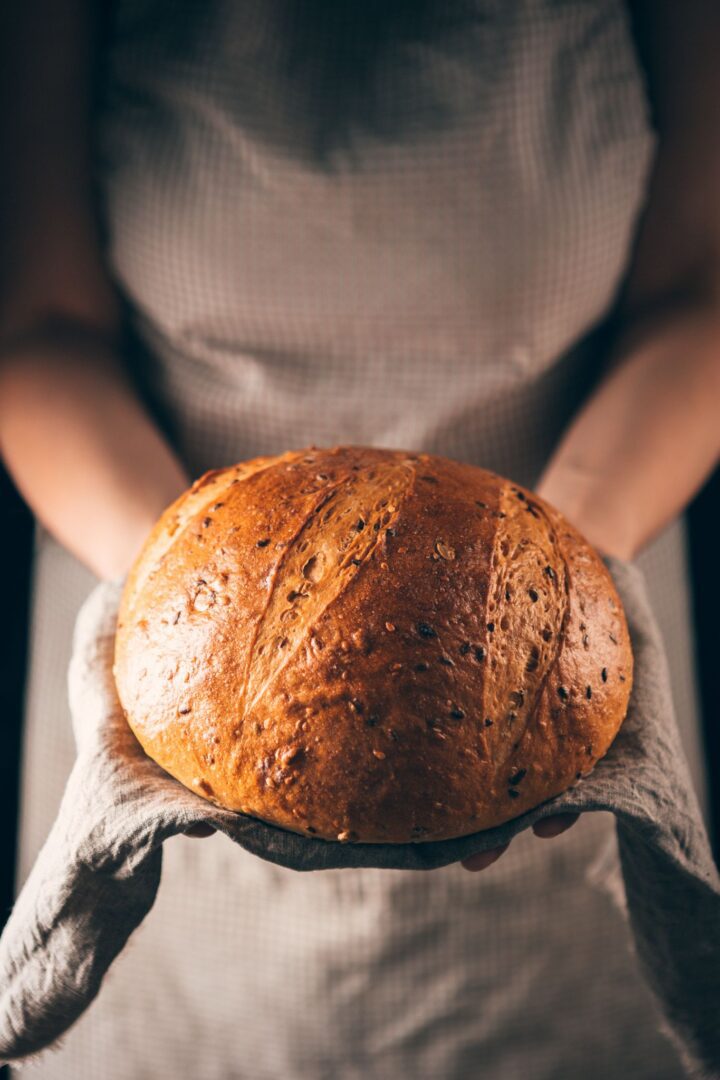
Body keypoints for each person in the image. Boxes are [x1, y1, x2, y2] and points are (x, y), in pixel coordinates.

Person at [1, 1, 718, 1076]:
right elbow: (37, 326)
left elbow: (701, 289)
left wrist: (563, 575)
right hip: (164, 619)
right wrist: (184, 599)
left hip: (562, 639)